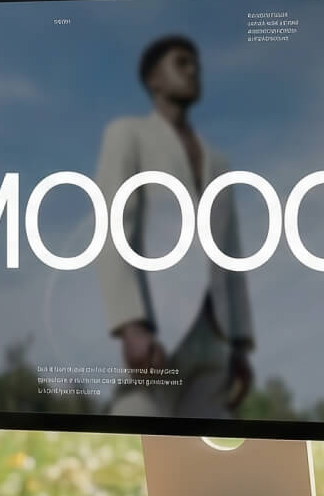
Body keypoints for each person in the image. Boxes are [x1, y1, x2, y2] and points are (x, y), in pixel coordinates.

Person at [95, 34, 254, 418]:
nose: (193, 70)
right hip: (157, 327)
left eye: (196, 63)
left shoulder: (219, 164)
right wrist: (130, 323)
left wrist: (239, 343)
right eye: (181, 62)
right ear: (154, 79)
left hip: (213, 337)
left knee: (206, 447)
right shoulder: (128, 134)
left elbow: (231, 254)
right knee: (135, 429)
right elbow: (114, 223)